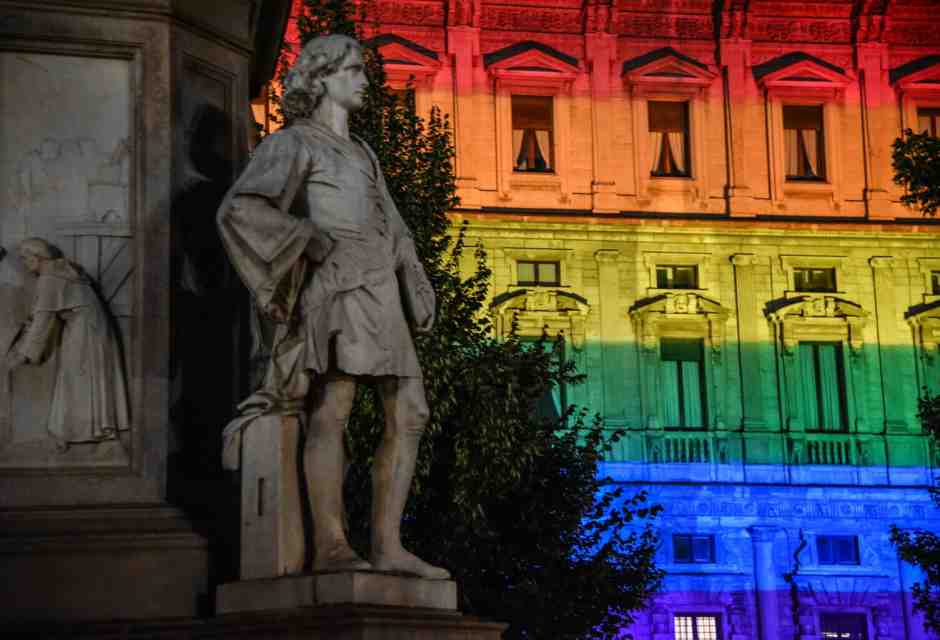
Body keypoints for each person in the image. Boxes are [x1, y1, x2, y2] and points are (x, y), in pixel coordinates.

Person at [217, 34, 447, 579]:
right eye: (354, 71)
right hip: (336, 286)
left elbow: (391, 221)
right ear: (320, 78)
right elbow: (240, 208)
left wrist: (413, 275)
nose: (365, 80)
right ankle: (332, 543)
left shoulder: (363, 150)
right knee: (333, 408)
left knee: (411, 410)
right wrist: (304, 237)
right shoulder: (293, 143)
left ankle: (388, 544)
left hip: (379, 285)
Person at [5, 238, 130, 450]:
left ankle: (72, 431)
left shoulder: (49, 279)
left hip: (85, 330)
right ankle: (93, 428)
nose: (25, 265)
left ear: (38, 257)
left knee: (74, 375)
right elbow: (43, 313)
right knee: (81, 376)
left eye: (26, 259)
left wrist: (23, 354)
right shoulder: (63, 270)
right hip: (94, 327)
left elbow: (42, 323)